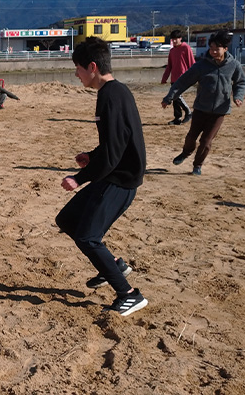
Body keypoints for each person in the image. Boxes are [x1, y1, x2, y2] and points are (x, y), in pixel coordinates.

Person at [55, 36, 148, 317]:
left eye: (78, 68)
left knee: (87, 237)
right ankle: (113, 265)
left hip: (120, 180)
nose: (76, 74)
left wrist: (79, 177)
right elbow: (114, 143)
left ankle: (129, 294)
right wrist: (91, 156)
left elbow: (114, 153)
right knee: (67, 219)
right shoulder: (114, 92)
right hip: (113, 174)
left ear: (92, 67)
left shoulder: (110, 95)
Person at [162, 30, 245, 176]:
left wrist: (238, 96)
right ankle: (186, 152)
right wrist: (169, 97)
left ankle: (197, 165)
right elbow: (183, 81)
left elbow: (240, 82)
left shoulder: (234, 65)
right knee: (191, 138)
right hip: (201, 109)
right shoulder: (201, 66)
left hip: (220, 111)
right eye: (211, 48)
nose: (213, 51)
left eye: (216, 48)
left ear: (225, 49)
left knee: (206, 141)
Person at [161, 29, 196, 125]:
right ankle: (177, 118)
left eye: (176, 39)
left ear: (180, 39)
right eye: (173, 39)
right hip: (174, 77)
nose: (174, 41)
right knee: (175, 99)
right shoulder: (172, 51)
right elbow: (169, 66)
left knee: (176, 96)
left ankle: (188, 112)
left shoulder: (186, 48)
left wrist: (194, 76)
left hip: (183, 77)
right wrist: (165, 78)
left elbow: (192, 63)